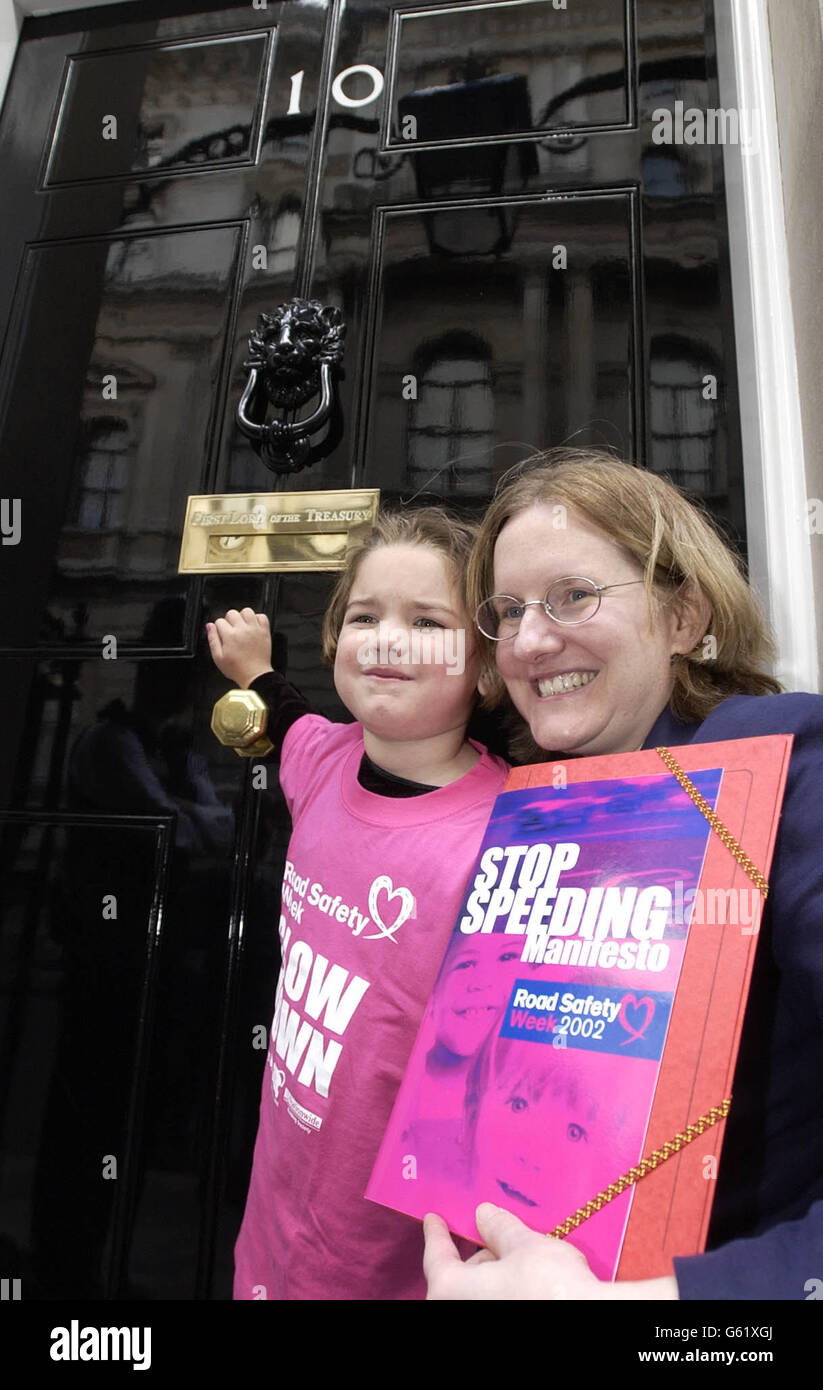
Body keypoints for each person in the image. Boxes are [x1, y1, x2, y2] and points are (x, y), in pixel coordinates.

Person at [423, 447, 823, 1301]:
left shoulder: (785, 769)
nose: (529, 641)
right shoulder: (533, 816)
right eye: (506, 610)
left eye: (572, 596)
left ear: (683, 618)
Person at [206, 507, 509, 1300]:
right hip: (268, 1227)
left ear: (485, 669)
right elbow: (287, 713)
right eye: (365, 617)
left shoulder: (508, 841)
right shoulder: (322, 760)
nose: (386, 639)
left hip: (386, 1264)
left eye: (427, 621)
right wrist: (252, 665)